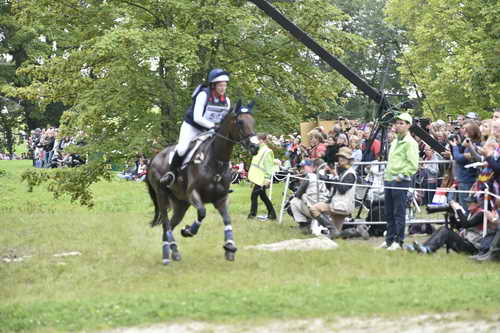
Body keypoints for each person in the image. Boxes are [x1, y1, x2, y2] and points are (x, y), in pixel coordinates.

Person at [160, 68, 231, 186]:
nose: (223, 88)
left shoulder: (226, 101)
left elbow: (224, 119)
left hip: (209, 131)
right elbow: (197, 117)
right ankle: (171, 173)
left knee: (221, 149)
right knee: (182, 149)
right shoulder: (203, 95)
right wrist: (213, 126)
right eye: (220, 85)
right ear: (213, 85)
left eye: (225, 85)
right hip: (192, 127)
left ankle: (221, 179)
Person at [377, 113, 419, 251]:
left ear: (408, 126)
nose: (398, 125)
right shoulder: (395, 141)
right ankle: (389, 239)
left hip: (400, 181)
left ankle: (398, 240)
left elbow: (413, 164)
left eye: (402, 123)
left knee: (398, 212)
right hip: (389, 179)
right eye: (397, 123)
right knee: (388, 212)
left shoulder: (411, 143)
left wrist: (401, 176)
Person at [309, 147, 365, 239]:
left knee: (314, 209)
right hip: (338, 204)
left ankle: (334, 229)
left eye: (344, 157)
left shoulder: (350, 173)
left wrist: (334, 177)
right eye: (340, 157)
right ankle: (357, 232)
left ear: (349, 160)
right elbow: (334, 183)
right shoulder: (343, 171)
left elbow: (342, 188)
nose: (341, 159)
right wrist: (323, 177)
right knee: (336, 235)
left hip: (341, 206)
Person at [290, 159, 330, 234]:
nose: (302, 169)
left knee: (294, 201)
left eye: (303, 167)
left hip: (314, 209)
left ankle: (304, 225)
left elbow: (298, 194)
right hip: (328, 208)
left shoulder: (310, 176)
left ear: (313, 167)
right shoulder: (330, 178)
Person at [248, 133, 277, 220]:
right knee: (263, 196)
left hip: (262, 179)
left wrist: (267, 179)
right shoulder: (258, 150)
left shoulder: (267, 151)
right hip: (257, 178)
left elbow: (269, 166)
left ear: (261, 140)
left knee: (254, 196)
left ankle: (252, 215)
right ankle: (272, 214)